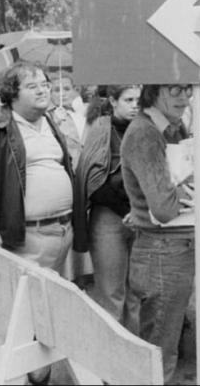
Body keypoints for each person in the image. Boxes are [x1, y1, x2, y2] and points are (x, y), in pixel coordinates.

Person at [0, 61, 83, 385]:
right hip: (24, 241)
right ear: (12, 94)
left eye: (45, 83)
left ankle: (39, 376)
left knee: (47, 316)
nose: (44, 89)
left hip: (61, 235)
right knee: (13, 324)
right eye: (33, 85)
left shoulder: (51, 122)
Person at [120, 84, 200, 384]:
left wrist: (195, 194)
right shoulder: (145, 133)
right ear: (153, 91)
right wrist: (195, 193)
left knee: (167, 347)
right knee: (160, 351)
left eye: (187, 89)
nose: (185, 98)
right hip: (162, 252)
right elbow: (165, 208)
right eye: (175, 90)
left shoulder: (173, 128)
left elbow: (198, 195)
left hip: (174, 248)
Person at [75, 84, 141, 322]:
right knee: (111, 292)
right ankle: (113, 357)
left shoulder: (145, 129)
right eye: (129, 100)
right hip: (109, 216)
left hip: (141, 215)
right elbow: (92, 181)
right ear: (113, 101)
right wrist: (127, 211)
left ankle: (137, 354)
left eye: (139, 100)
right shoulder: (101, 129)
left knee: (137, 292)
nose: (135, 105)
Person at [49, 73, 87, 168]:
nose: (63, 94)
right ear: (49, 93)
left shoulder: (81, 114)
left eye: (67, 89)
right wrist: (55, 123)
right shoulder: (46, 117)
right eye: (57, 90)